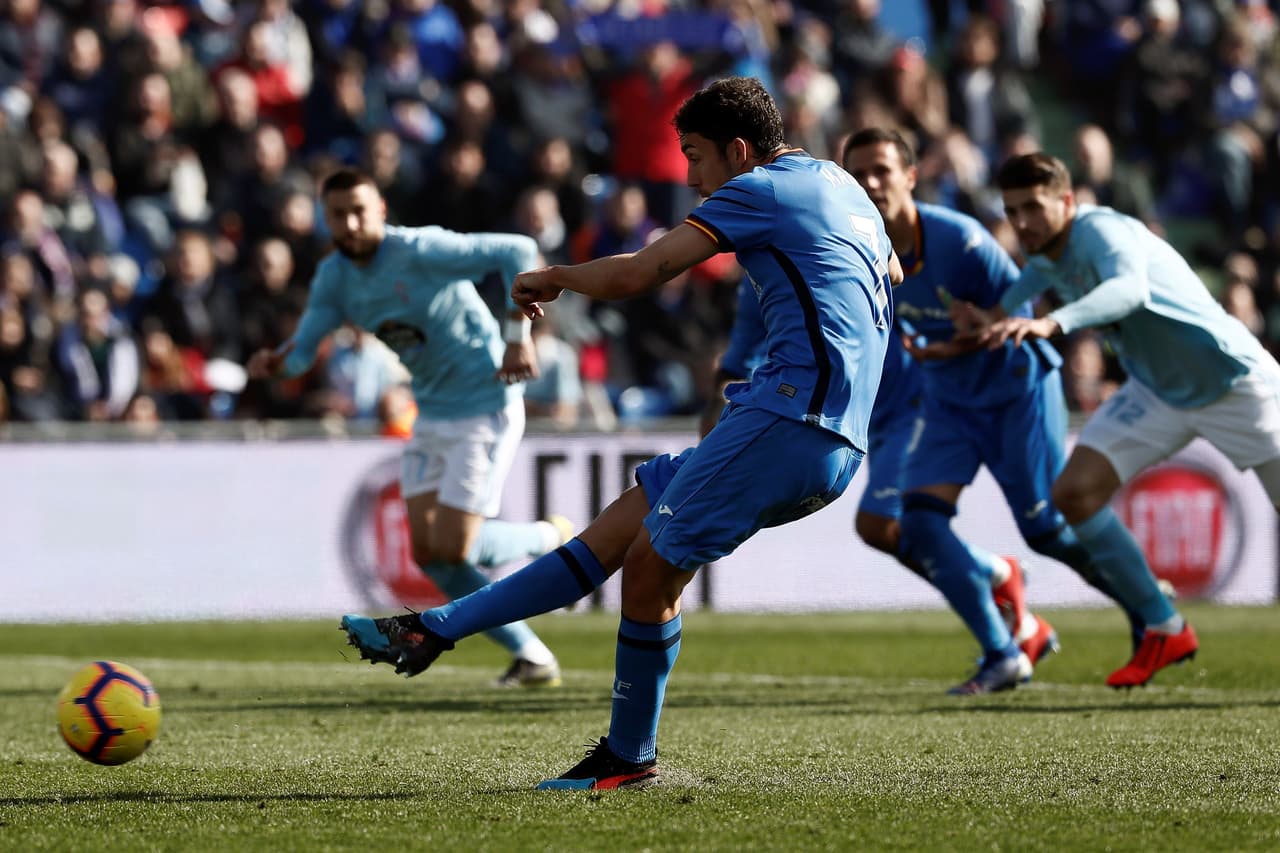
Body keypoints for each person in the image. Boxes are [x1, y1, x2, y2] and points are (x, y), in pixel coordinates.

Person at [342, 76, 900, 789]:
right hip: (821, 424)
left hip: (792, 418)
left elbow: (643, 272)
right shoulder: (841, 185)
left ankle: (629, 754)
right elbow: (887, 271)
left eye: (695, 156)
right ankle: (436, 625)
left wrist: (556, 277)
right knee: (618, 529)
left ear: (738, 149)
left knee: (649, 567)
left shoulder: (759, 188)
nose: (691, 177)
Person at [844, 129, 1196, 691]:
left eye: (881, 170)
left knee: (1046, 529)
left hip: (1016, 394)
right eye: (858, 173)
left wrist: (962, 338)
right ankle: (1004, 652)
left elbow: (1017, 320)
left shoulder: (959, 240)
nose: (870, 183)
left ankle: (1147, 606)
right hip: (948, 401)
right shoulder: (861, 249)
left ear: (910, 177)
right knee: (919, 523)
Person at [958, 152, 1280, 685]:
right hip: (1158, 391)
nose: (1022, 223)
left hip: (1234, 383)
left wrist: (1050, 324)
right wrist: (993, 317)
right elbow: (1035, 276)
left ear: (1067, 201)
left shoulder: (1103, 229)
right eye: (1013, 211)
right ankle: (1163, 625)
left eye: (1033, 207)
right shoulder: (1050, 254)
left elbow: (1130, 290)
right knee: (1075, 493)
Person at [247, 168, 571, 688]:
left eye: (360, 210)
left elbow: (518, 248)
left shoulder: (420, 249)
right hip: (432, 411)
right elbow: (304, 348)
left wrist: (517, 335)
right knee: (433, 558)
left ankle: (549, 536)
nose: (351, 222)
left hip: (486, 400)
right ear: (324, 219)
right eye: (338, 214)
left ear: (380, 209)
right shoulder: (335, 278)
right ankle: (533, 657)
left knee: (459, 548)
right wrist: (278, 365)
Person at [702, 249, 1047, 694]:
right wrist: (714, 420)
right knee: (880, 529)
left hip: (913, 406)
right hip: (863, 421)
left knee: (891, 522)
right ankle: (996, 574)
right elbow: (735, 361)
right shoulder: (757, 285)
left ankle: (1003, 649)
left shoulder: (839, 247)